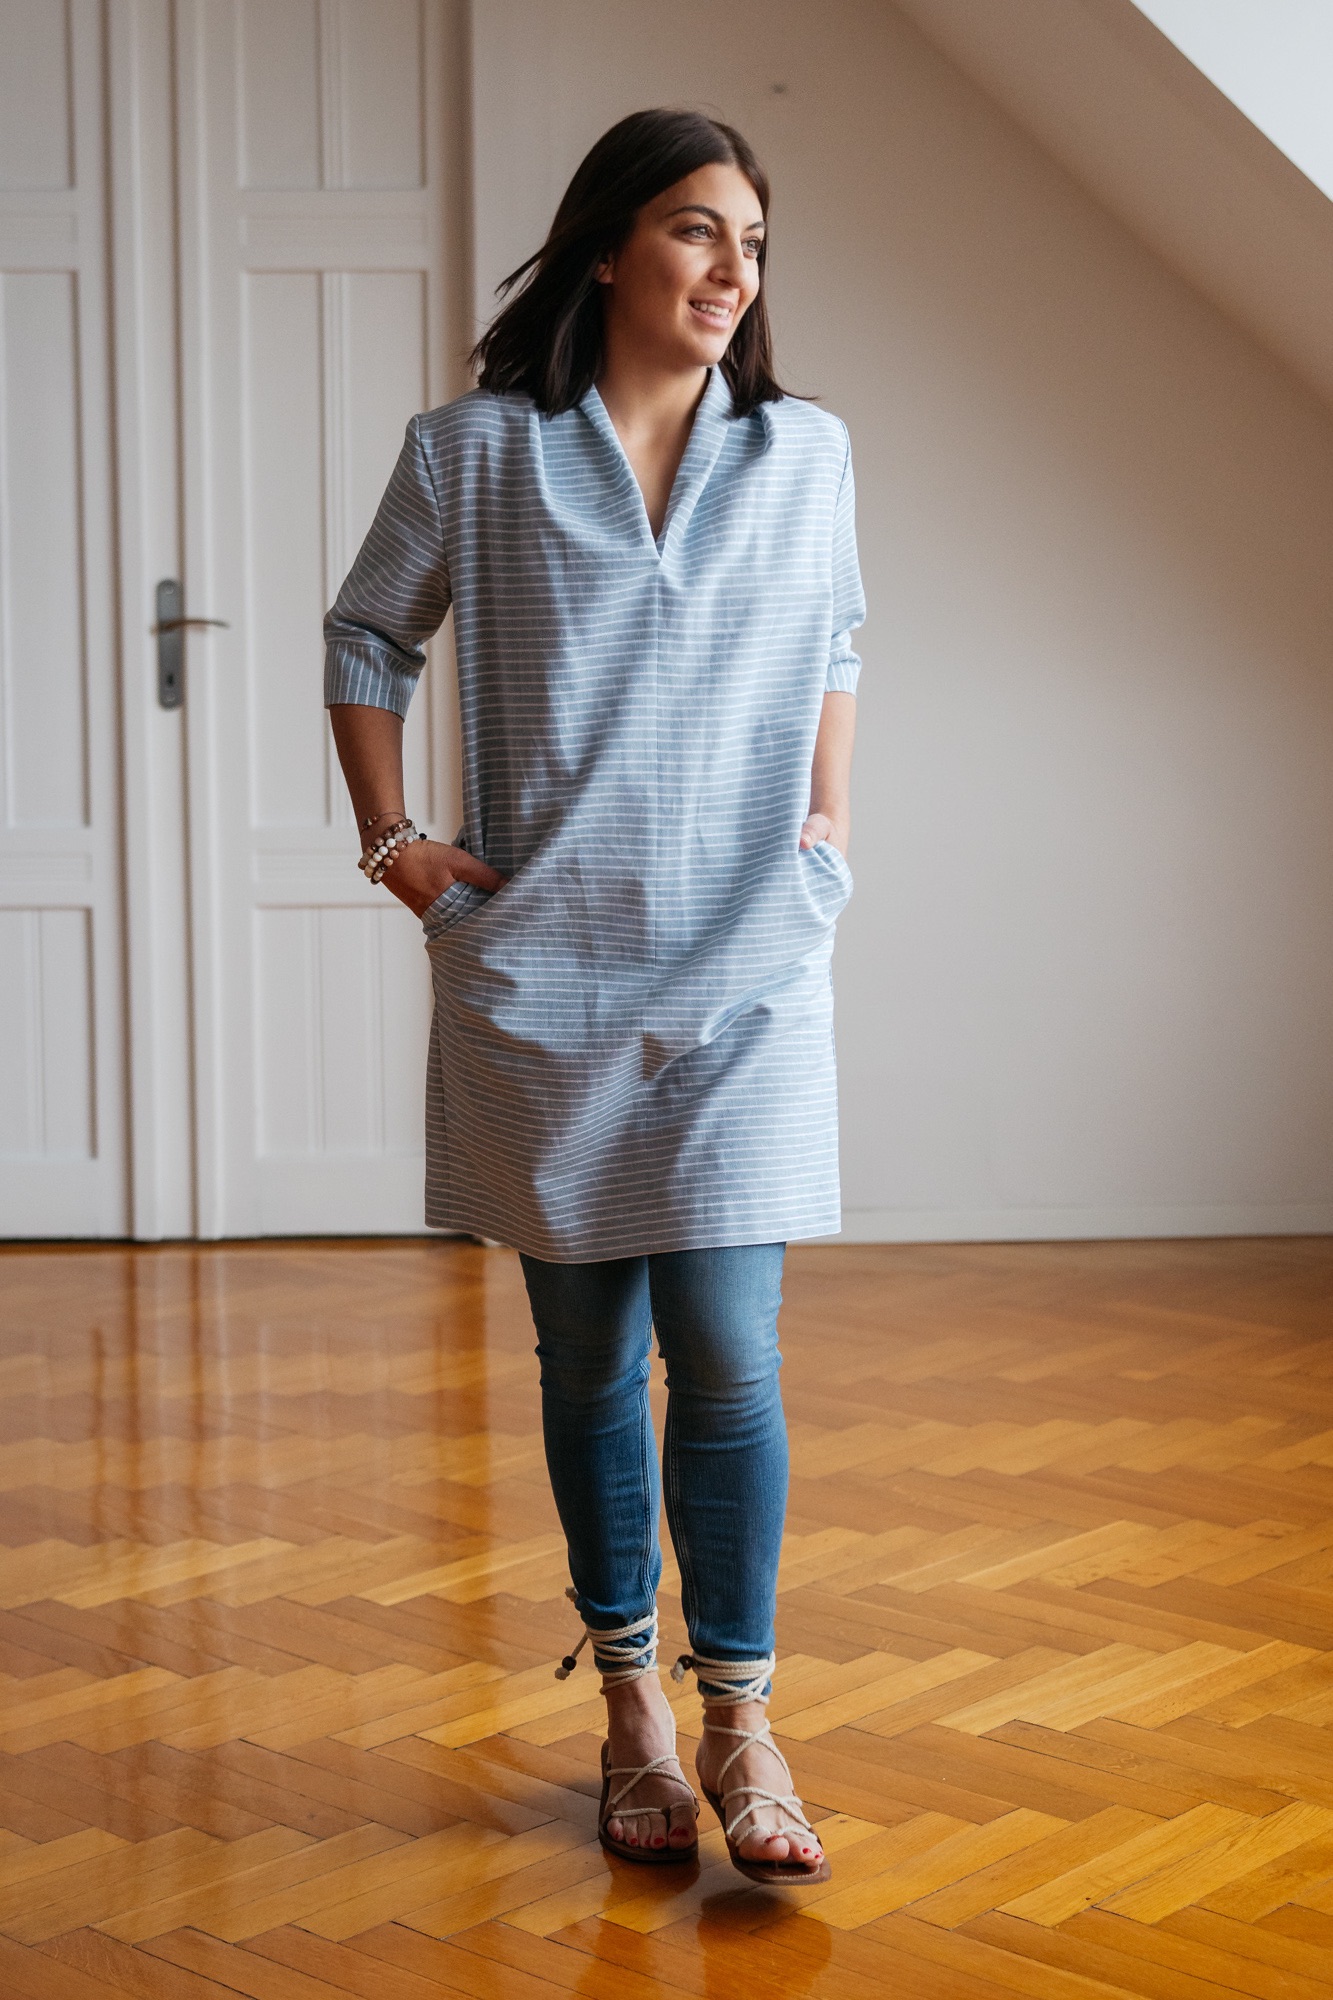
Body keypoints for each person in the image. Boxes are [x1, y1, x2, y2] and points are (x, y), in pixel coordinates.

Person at [325, 108, 863, 1884]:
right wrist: (394, 842)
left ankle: (742, 1720)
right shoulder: (472, 453)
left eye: (752, 245)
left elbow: (836, 641)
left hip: (749, 964)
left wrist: (825, 834)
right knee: (587, 1358)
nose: (732, 271)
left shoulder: (804, 453)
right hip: (544, 975)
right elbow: (365, 635)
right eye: (700, 231)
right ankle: (629, 1702)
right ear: (611, 245)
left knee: (729, 1353)